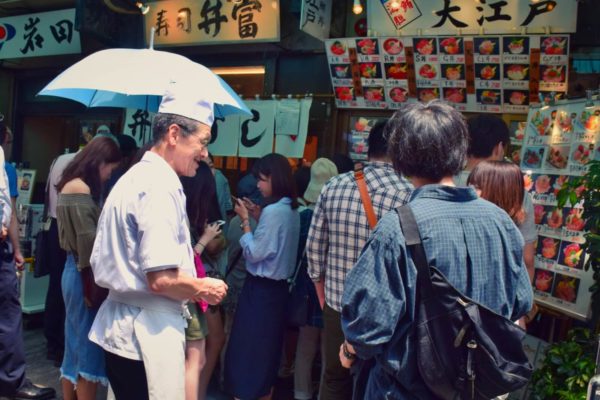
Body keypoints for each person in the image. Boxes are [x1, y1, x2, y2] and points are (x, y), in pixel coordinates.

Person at [339, 101, 534, 399]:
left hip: (408, 390)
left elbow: (368, 328)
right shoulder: (501, 222)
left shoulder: (397, 228)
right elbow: (521, 302)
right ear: (460, 150)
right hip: (478, 387)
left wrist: (349, 351)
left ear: (400, 157)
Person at [88, 81, 228, 400]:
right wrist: (204, 287)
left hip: (126, 328)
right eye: (203, 142)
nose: (205, 154)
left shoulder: (135, 176)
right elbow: (161, 278)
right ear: (175, 134)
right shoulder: (159, 186)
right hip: (146, 333)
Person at [306, 121, 412, 400]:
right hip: (388, 312)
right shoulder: (410, 193)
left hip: (338, 304)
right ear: (401, 151)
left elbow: (314, 253)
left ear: (368, 148)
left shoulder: (334, 186)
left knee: (334, 376)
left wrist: (325, 298)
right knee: (379, 380)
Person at [224, 153, 301, 400]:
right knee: (266, 353)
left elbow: (256, 253)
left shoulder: (274, 212)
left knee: (248, 352)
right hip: (278, 292)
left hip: (260, 290)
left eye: (262, 179)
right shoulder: (291, 208)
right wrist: (257, 217)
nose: (258, 185)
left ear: (274, 179)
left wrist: (246, 222)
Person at [56, 137, 121, 400]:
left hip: (72, 270)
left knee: (73, 346)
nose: (108, 175)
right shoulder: (81, 190)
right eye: (110, 168)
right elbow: (88, 244)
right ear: (100, 162)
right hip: (84, 273)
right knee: (89, 350)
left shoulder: (69, 184)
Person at [0, 129, 55, 400]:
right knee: (8, 314)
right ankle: (12, 381)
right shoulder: (4, 167)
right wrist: (17, 249)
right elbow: (8, 210)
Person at [455, 114, 536, 281]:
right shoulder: (515, 190)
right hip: (500, 284)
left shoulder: (445, 183)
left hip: (454, 285)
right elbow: (526, 258)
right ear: (499, 147)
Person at [294, 158, 338, 400]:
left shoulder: (304, 216)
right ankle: (323, 394)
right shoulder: (337, 213)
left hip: (307, 286)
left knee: (305, 345)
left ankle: (300, 393)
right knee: (327, 348)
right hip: (331, 288)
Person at [180, 162, 223, 400]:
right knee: (197, 354)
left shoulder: (188, 210)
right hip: (195, 288)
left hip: (197, 287)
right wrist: (207, 239)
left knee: (199, 352)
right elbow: (186, 260)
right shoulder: (183, 215)